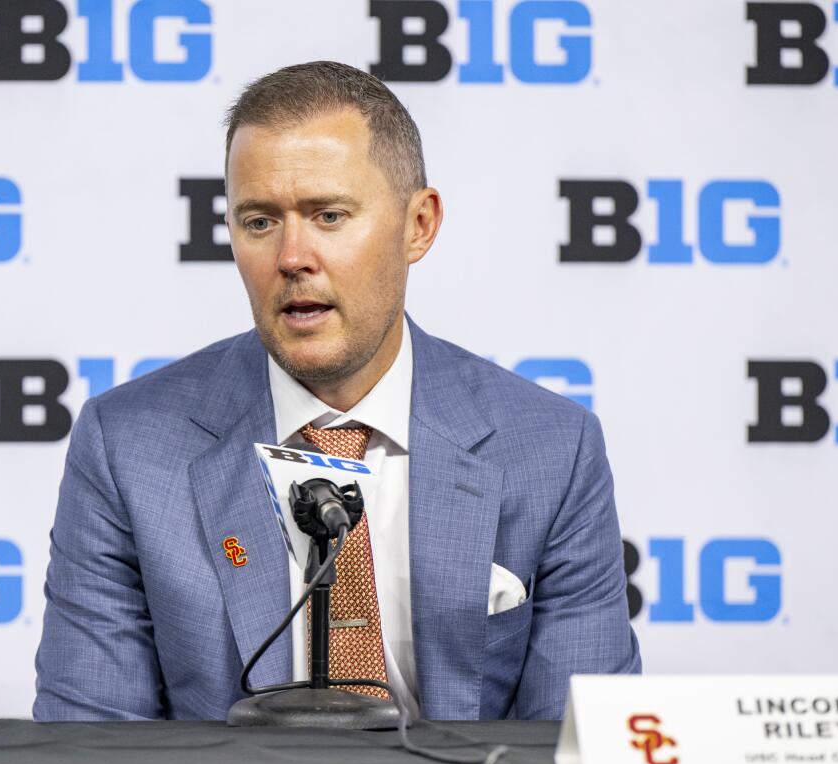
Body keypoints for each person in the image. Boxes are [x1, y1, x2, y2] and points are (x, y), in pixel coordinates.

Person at [33, 61, 640, 722]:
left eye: (328, 215)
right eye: (259, 222)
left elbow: (582, 749)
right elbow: (89, 752)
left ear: (419, 225)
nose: (291, 256)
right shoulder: (128, 450)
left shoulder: (551, 450)